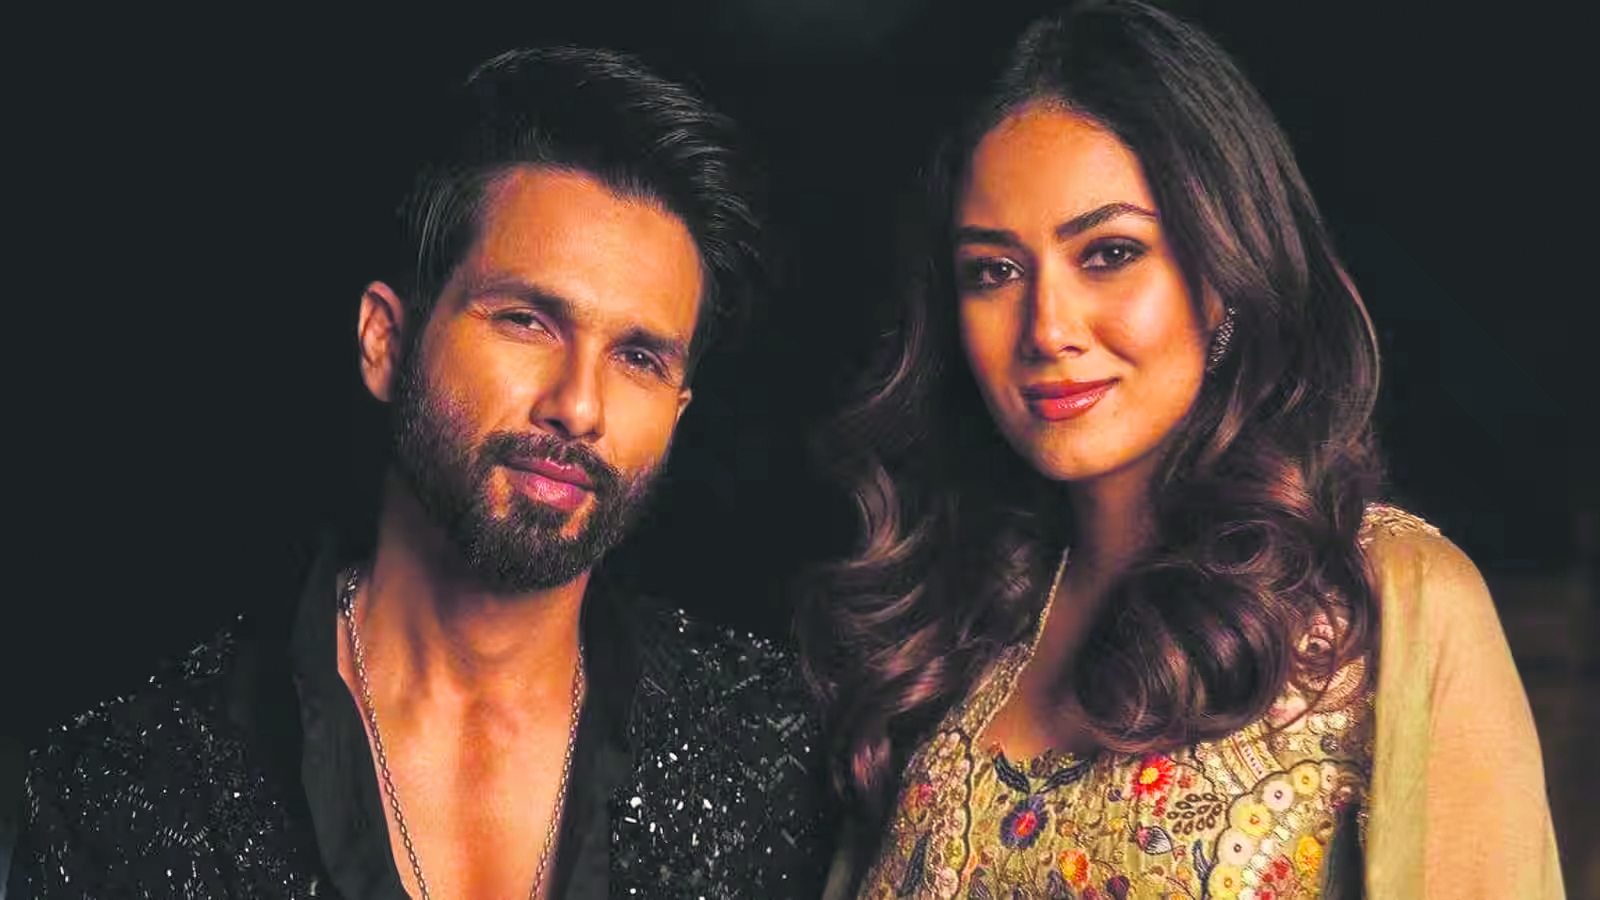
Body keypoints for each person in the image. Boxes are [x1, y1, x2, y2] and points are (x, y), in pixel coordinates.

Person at [15, 46, 827, 899]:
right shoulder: (135, 783)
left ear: (679, 410)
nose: (580, 406)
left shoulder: (774, 751)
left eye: (638, 358)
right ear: (387, 342)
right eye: (526, 321)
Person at [801, 1, 1564, 898]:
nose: (1047, 328)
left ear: (1222, 274)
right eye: (994, 271)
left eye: (1109, 253)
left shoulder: (1382, 600)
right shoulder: (950, 629)